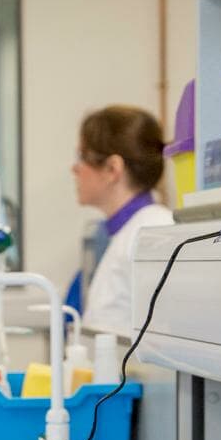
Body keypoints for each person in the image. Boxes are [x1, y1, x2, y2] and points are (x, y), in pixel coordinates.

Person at [71, 105, 173, 337]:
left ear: (112, 169)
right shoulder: (129, 231)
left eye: (81, 157)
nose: (74, 168)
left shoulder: (154, 231)